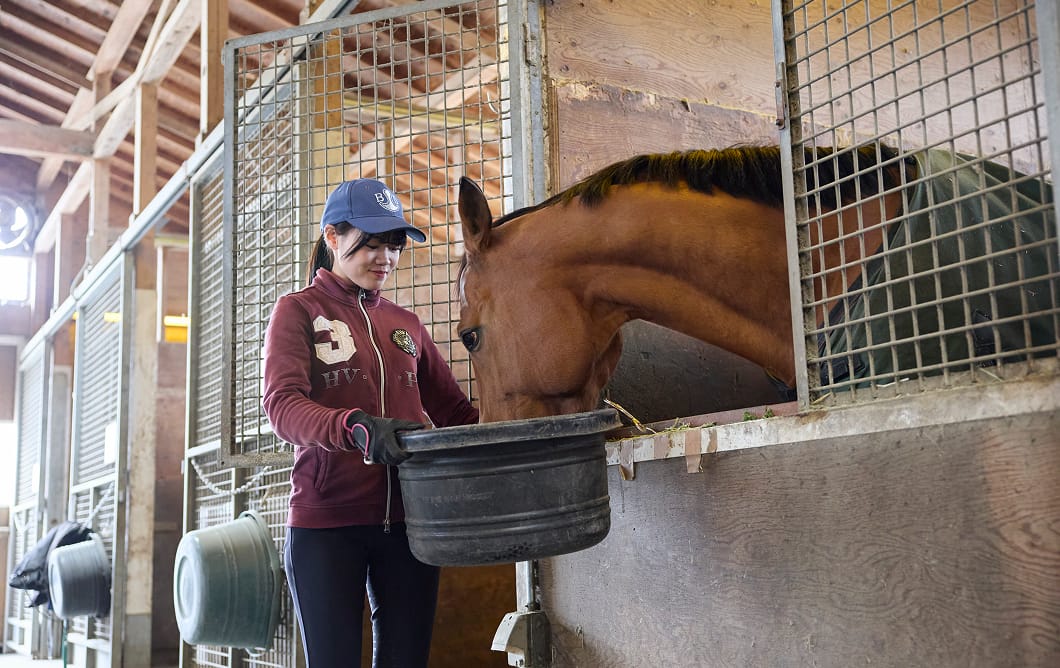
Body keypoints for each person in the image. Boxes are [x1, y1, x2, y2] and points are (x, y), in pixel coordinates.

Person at [262, 179, 479, 668]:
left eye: (394, 245)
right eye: (372, 243)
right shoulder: (298, 311)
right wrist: (355, 427)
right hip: (326, 524)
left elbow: (458, 414)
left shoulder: (407, 325)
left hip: (407, 522)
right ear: (333, 238)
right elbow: (282, 405)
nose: (385, 257)